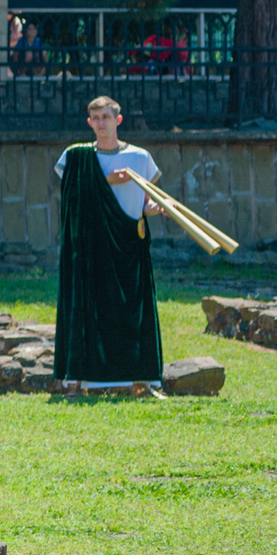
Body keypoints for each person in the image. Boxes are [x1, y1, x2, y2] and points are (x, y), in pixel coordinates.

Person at [51, 96, 165, 395]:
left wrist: (155, 208)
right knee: (91, 311)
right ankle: (82, 378)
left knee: (133, 312)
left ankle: (142, 378)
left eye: (106, 117)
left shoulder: (140, 157)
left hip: (130, 244)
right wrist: (107, 180)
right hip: (91, 248)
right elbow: (71, 196)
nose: (101, 122)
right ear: (89, 123)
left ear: (118, 120)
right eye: (96, 118)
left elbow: (146, 201)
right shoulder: (75, 158)